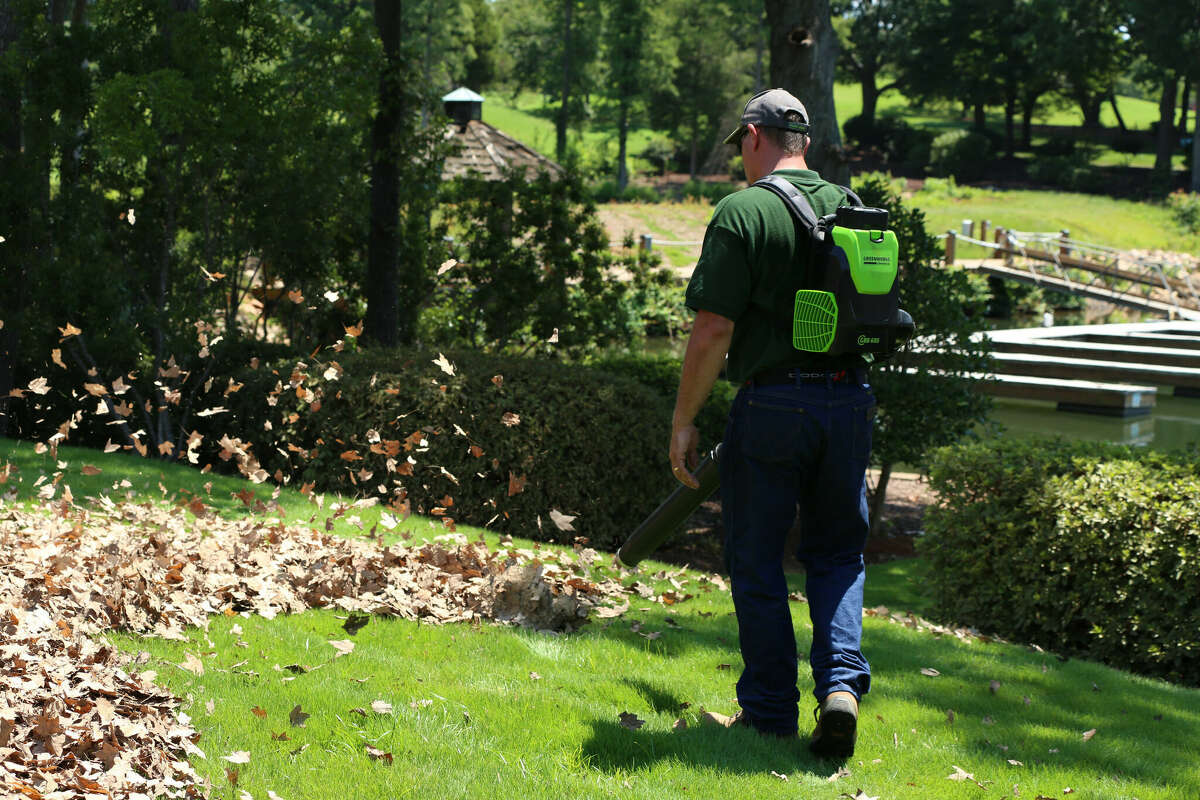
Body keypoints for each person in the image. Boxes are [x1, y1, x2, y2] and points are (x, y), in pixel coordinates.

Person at [669, 88, 875, 759]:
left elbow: (713, 328)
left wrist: (684, 419)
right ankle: (840, 685)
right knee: (838, 552)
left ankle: (768, 713)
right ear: (805, 141)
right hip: (849, 399)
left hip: (774, 404)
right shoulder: (853, 209)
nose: (740, 160)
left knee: (756, 556)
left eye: (741, 147)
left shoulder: (742, 211)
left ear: (755, 136)